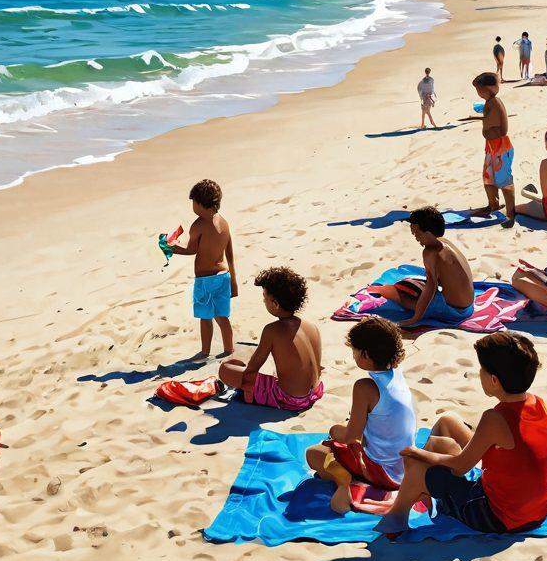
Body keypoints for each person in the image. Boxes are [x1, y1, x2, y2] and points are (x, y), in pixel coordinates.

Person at [376, 332, 547, 538]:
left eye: (482, 370)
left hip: (500, 518)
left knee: (417, 464)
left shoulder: (495, 419)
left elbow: (461, 466)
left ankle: (396, 518)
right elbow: (500, 446)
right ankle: (419, 491)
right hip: (535, 513)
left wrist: (419, 454)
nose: (480, 373)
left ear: (494, 380)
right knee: (448, 421)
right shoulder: (536, 402)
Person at [305, 318, 416, 513]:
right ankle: (351, 474)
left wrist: (335, 431)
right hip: (406, 468)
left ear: (364, 354)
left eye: (355, 351)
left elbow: (351, 437)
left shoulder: (364, 387)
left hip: (384, 472)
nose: (353, 355)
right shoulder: (397, 375)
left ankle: (345, 480)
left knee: (314, 454)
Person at [218, 267, 323, 411]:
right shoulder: (312, 327)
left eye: (264, 298)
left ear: (275, 304)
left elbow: (252, 369)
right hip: (315, 392)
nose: (263, 301)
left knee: (226, 369)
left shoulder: (272, 330)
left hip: (290, 398)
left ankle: (250, 393)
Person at [369, 207, 475, 326]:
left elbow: (431, 287)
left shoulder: (430, 252)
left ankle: (378, 291)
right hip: (470, 306)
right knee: (417, 282)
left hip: (454, 312)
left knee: (394, 292)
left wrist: (416, 318)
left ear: (427, 233)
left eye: (416, 233)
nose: (415, 236)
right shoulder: (445, 242)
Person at [168, 179, 236, 360]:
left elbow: (191, 250)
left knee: (206, 317)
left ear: (199, 203)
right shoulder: (224, 222)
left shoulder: (198, 225)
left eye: (193, 202)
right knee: (222, 316)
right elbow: (229, 252)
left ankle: (205, 351)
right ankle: (229, 349)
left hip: (205, 280)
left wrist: (172, 247)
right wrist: (234, 281)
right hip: (223, 277)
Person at [466, 72, 515, 227]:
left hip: (500, 146)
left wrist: (483, 119)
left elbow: (499, 125)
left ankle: (511, 212)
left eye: (479, 89)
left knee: (504, 179)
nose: (478, 93)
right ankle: (492, 204)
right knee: (488, 177)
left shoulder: (495, 102)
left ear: (488, 89)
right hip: (491, 146)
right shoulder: (489, 102)